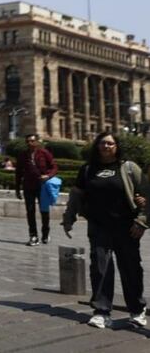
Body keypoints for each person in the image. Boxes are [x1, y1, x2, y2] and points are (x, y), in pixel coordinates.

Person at [62, 131, 149, 329]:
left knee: (131, 269)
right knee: (100, 269)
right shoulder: (87, 170)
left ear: (117, 147)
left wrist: (142, 221)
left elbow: (146, 194)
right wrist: (68, 218)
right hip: (99, 227)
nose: (106, 146)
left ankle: (137, 310)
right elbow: (76, 195)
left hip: (127, 228)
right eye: (102, 143)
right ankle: (101, 311)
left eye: (110, 143)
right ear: (97, 146)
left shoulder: (128, 168)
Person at [15, 134, 58, 246]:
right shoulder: (23, 155)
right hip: (28, 186)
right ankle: (33, 235)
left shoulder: (44, 153)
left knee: (44, 211)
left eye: (32, 141)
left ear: (37, 142)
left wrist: (48, 176)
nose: (30, 143)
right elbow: (18, 172)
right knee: (30, 211)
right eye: (28, 141)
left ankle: (45, 234)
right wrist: (17, 188)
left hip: (42, 186)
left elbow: (54, 167)